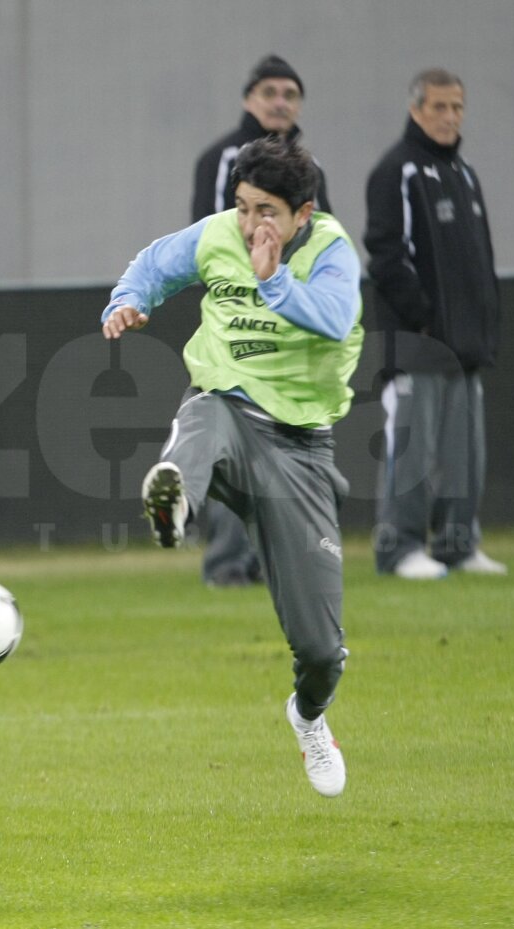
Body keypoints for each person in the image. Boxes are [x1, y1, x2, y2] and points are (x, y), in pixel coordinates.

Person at [103, 137, 363, 798]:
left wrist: (273, 278)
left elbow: (335, 321)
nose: (251, 226)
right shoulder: (220, 234)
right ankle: (176, 505)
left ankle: (308, 716)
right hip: (227, 412)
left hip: (300, 450)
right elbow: (154, 264)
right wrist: (126, 303)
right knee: (203, 415)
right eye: (244, 208)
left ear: (303, 213)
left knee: (322, 651)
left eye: (267, 211)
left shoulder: (332, 251)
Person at [189, 53, 332, 588]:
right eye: (270, 92)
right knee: (233, 445)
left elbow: (323, 241)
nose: (280, 102)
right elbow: (208, 240)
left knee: (289, 446)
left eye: (290, 94)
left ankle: (279, 562)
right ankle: (227, 564)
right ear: (249, 99)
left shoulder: (308, 167)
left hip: (293, 328)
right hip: (241, 328)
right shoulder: (223, 158)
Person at [364, 68, 505, 580]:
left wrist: (483, 321)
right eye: (439, 107)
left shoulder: (464, 174)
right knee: (414, 450)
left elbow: (480, 258)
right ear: (416, 109)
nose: (450, 117)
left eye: (457, 107)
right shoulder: (396, 171)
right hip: (418, 344)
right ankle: (398, 549)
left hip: (466, 344)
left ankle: (457, 546)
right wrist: (424, 319)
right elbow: (384, 256)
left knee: (465, 454)